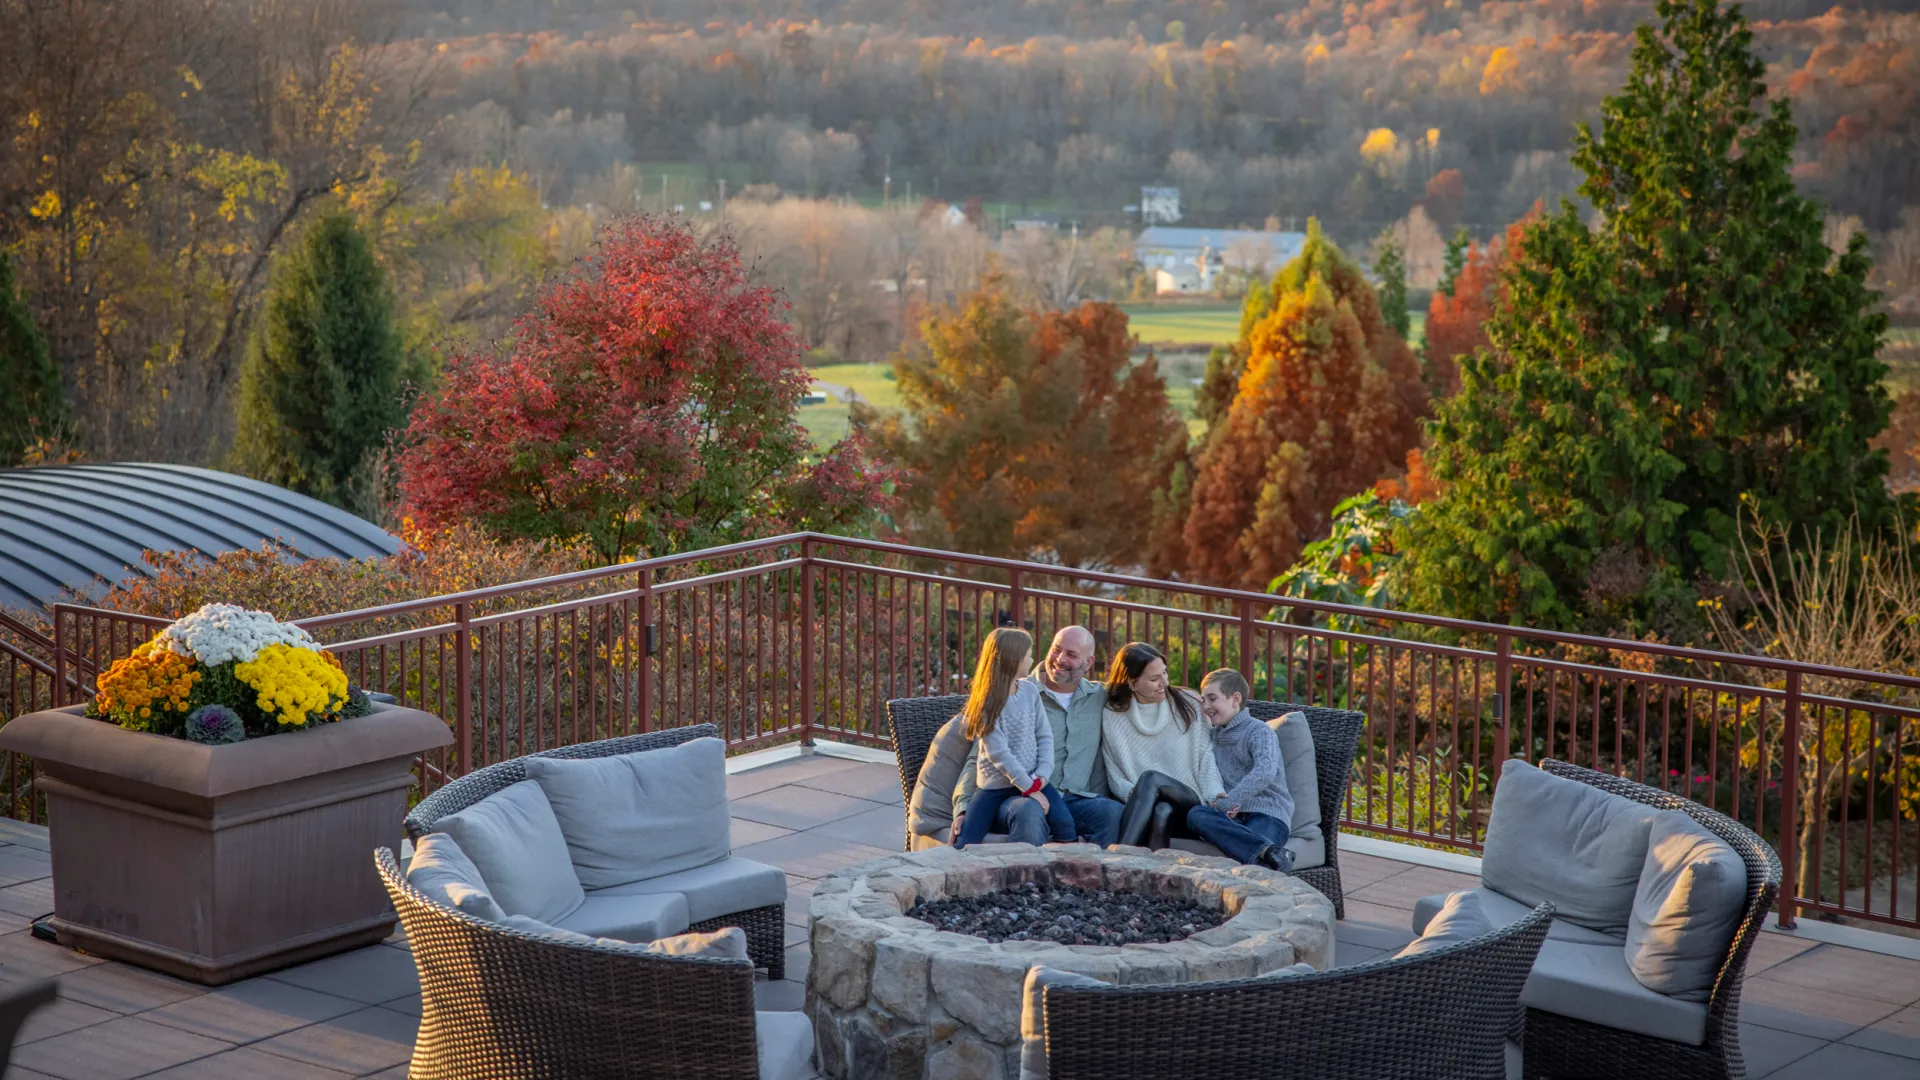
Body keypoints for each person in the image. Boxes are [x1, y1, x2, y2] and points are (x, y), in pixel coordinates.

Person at [952, 626, 1124, 847]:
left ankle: (1090, 877)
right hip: (1015, 796)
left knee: (1111, 811)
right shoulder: (1010, 694)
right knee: (1029, 811)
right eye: (1056, 650)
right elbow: (981, 756)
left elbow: (1141, 693)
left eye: (1071, 655)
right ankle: (1026, 881)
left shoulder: (1098, 697)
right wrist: (963, 808)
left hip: (1072, 799)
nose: (1060, 659)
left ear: (1089, 663)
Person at [1101, 642, 1226, 848]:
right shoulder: (1113, 714)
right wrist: (1132, 792)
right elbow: (1113, 770)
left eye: (1165, 673)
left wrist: (1214, 794)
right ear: (1132, 683)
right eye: (1154, 679)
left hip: (1189, 801)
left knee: (1151, 778)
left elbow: (1205, 755)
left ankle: (1119, 856)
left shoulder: (1189, 703)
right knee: (1162, 811)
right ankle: (1149, 873)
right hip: (1148, 806)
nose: (1165, 683)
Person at [1188, 668, 1294, 871]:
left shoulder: (1259, 731)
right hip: (1231, 819)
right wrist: (1219, 801)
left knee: (1254, 867)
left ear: (1235, 699)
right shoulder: (1211, 735)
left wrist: (1231, 800)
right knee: (1196, 814)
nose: (1207, 707)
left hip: (1266, 812)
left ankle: (1264, 854)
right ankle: (1270, 852)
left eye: (1212, 699)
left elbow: (1264, 773)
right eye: (1203, 701)